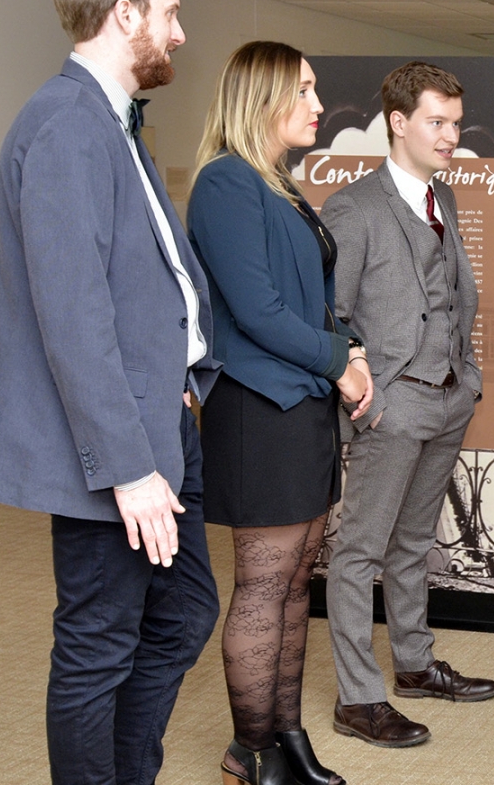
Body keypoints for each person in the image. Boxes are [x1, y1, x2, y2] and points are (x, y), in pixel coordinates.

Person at [0, 0, 221, 784]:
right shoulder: (63, 125)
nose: (180, 32)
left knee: (185, 612)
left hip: (165, 422)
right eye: (170, 12)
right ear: (125, 15)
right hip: (118, 449)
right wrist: (127, 467)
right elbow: (74, 317)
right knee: (96, 644)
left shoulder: (114, 122)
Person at [187, 42, 375, 785]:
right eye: (303, 89)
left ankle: (287, 737)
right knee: (263, 586)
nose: (318, 104)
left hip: (301, 406)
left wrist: (348, 350)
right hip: (258, 410)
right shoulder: (226, 184)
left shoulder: (277, 185)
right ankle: (250, 750)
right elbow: (259, 313)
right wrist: (344, 365)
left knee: (298, 582)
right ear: (261, 98)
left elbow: (312, 302)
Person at [322, 61, 494, 749]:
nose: (451, 134)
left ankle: (416, 666)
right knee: (360, 553)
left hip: (448, 400)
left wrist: (472, 375)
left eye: (455, 122)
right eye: (437, 122)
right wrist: (371, 393)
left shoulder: (442, 196)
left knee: (415, 545)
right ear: (398, 122)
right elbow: (332, 315)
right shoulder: (355, 207)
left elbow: (455, 297)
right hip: (392, 406)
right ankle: (358, 699)